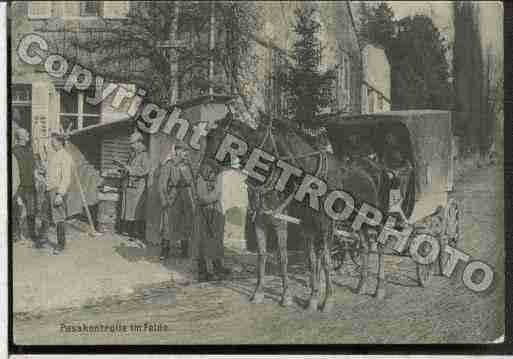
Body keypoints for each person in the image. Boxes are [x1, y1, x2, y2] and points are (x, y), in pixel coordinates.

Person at [158, 141, 195, 261]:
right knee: (168, 224)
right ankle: (165, 251)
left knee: (185, 224)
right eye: (184, 151)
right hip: (173, 197)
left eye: (187, 151)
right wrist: (164, 200)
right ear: (177, 151)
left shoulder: (187, 165)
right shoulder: (169, 165)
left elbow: (192, 183)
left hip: (186, 197)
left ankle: (184, 250)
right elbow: (162, 184)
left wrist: (194, 198)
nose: (186, 153)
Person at [195, 160, 231, 281]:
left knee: (216, 238)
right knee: (204, 240)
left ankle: (217, 266)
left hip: (214, 209)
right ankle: (203, 271)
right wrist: (208, 199)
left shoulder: (216, 174)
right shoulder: (202, 175)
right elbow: (208, 195)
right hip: (206, 210)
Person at [42, 132, 73, 255]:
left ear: (60, 142)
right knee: (46, 215)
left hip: (57, 190)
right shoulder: (55, 155)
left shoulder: (65, 156)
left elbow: (66, 178)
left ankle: (61, 244)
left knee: (59, 218)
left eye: (53, 142)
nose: (51, 144)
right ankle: (43, 239)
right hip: (49, 189)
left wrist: (60, 194)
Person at [118, 131, 150, 243]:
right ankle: (131, 233)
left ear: (139, 142)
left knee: (137, 211)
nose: (131, 146)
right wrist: (123, 168)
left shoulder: (144, 155)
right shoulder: (133, 154)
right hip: (131, 186)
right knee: (130, 211)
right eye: (131, 143)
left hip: (138, 188)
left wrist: (130, 170)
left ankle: (137, 234)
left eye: (133, 143)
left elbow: (146, 170)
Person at [13, 127, 38, 246]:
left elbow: (34, 167)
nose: (28, 133)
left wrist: (38, 177)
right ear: (20, 136)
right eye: (26, 132)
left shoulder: (30, 149)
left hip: (31, 185)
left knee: (31, 211)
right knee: (16, 211)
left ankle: (32, 234)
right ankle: (16, 235)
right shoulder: (13, 151)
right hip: (18, 186)